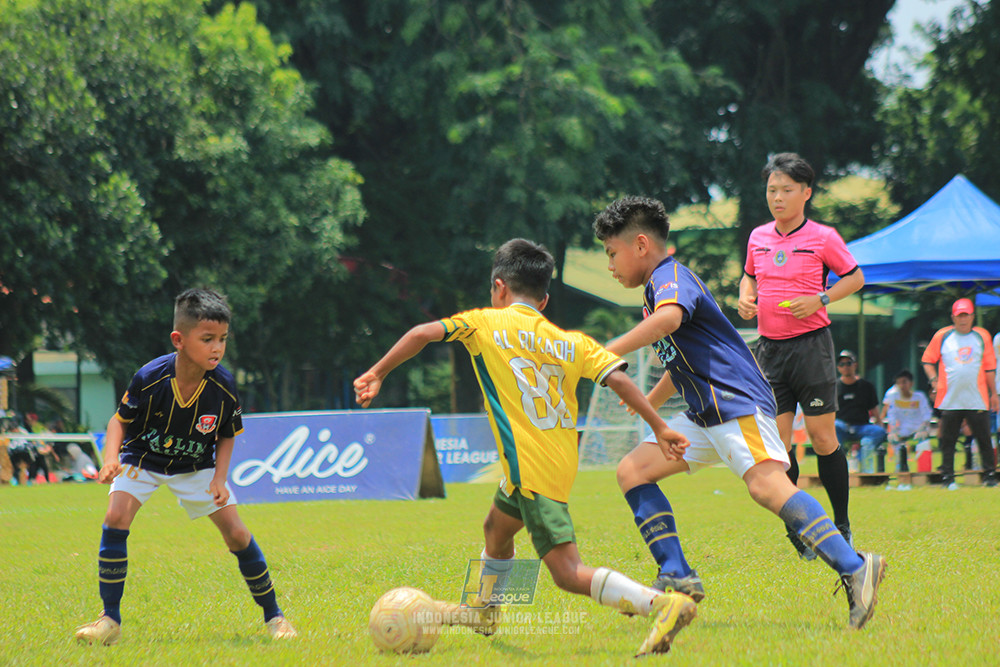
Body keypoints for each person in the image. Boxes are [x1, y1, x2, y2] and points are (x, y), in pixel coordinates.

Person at [354, 239, 698, 656]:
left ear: (499, 287)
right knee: (495, 530)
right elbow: (620, 379)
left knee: (567, 574)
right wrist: (659, 426)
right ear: (545, 297)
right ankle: (485, 610)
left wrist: (377, 371)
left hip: (531, 471)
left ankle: (660, 603)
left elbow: (423, 333)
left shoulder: (483, 323)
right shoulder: (571, 341)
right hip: (554, 464)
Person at [593, 196, 885, 630]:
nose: (610, 265)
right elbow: (681, 358)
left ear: (640, 245)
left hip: (733, 401)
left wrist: (601, 351)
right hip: (703, 414)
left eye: (611, 253)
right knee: (633, 471)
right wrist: (651, 401)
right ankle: (677, 572)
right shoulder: (653, 292)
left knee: (767, 487)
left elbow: (671, 321)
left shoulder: (669, 277)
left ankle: (856, 566)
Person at [74, 289, 297, 646]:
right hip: (142, 458)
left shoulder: (223, 386)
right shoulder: (150, 376)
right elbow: (118, 422)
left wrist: (220, 479)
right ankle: (109, 620)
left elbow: (226, 435)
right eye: (207, 339)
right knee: (116, 518)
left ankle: (275, 617)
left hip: (195, 466)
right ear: (179, 339)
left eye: (222, 339)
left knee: (237, 535)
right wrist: (110, 458)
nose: (217, 348)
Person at [738, 152, 864, 557]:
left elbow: (856, 277)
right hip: (769, 352)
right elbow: (750, 275)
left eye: (786, 190)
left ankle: (841, 525)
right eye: (772, 190)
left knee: (822, 438)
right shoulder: (758, 237)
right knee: (777, 445)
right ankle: (800, 528)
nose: (777, 198)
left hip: (811, 348)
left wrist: (821, 298)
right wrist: (745, 295)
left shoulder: (824, 237)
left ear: (806, 193)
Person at [921, 297, 998, 489]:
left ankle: (990, 475)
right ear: (953, 317)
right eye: (959, 316)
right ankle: (948, 477)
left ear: (972, 316)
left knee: (984, 438)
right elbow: (928, 360)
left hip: (977, 398)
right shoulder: (943, 335)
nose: (963, 319)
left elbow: (990, 368)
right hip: (950, 398)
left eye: (966, 315)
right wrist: (934, 381)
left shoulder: (982, 336)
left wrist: (994, 394)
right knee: (948, 440)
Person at [834, 351, 887, 473]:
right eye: (842, 364)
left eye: (849, 363)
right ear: (838, 367)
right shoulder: (834, 387)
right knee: (834, 427)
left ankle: (861, 463)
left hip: (862, 426)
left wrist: (880, 424)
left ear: (855, 365)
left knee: (878, 432)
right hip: (842, 426)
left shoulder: (866, 386)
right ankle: (840, 466)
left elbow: (874, 408)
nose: (846, 367)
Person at [881, 370, 932, 479]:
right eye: (899, 383)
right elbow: (892, 415)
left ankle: (923, 472)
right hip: (902, 429)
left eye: (904, 382)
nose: (901, 385)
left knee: (923, 442)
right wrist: (893, 430)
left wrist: (923, 428)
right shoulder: (894, 397)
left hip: (918, 429)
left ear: (911, 383)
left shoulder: (919, 397)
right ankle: (900, 467)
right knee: (893, 439)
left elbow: (926, 414)